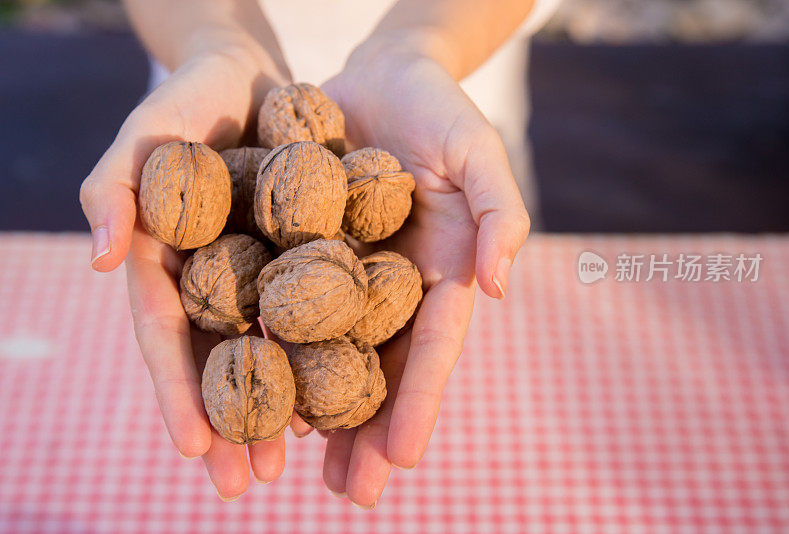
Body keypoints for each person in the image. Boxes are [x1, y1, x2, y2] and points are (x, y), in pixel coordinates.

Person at [79, 0, 554, 507]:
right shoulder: (231, 222)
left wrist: (416, 49)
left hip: (440, 154)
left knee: (477, 347)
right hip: (208, 102)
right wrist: (217, 43)